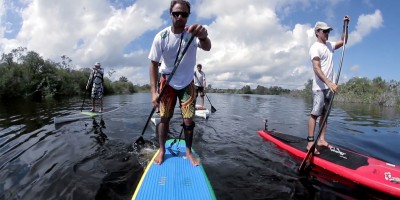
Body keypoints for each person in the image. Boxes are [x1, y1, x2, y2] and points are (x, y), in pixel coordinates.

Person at [148, 0, 211, 166]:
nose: (180, 17)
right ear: (171, 14)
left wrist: (204, 36)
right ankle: (162, 150)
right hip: (167, 84)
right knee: (164, 118)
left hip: (187, 84)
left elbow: (207, 47)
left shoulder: (193, 33)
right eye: (176, 13)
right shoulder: (161, 37)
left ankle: (188, 152)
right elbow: (153, 64)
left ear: (188, 16)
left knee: (189, 120)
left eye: (184, 14)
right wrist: (153, 92)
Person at [306, 16, 350, 154]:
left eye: (328, 31)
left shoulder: (330, 45)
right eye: (324, 31)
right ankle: (310, 142)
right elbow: (316, 68)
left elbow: (343, 41)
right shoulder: (315, 48)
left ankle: (321, 139)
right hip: (320, 88)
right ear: (317, 32)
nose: (327, 33)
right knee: (315, 114)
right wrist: (329, 82)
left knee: (325, 115)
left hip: (329, 88)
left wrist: (345, 26)